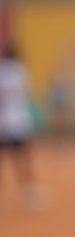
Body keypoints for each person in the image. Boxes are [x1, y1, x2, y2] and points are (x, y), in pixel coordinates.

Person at [0, 43, 41, 211]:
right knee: (23, 158)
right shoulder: (21, 71)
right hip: (18, 120)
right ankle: (28, 194)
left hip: (3, 121)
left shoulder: (1, 71)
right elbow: (25, 94)